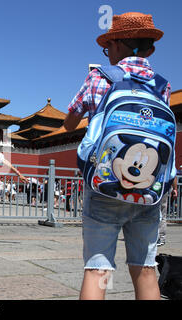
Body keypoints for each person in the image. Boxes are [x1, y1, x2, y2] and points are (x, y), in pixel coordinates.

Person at [64, 12, 171, 300]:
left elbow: (69, 123)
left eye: (108, 46)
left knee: (98, 271)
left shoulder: (99, 77)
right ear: (149, 49)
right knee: (146, 269)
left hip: (105, 187)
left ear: (121, 44)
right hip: (148, 191)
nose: (107, 52)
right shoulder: (162, 86)